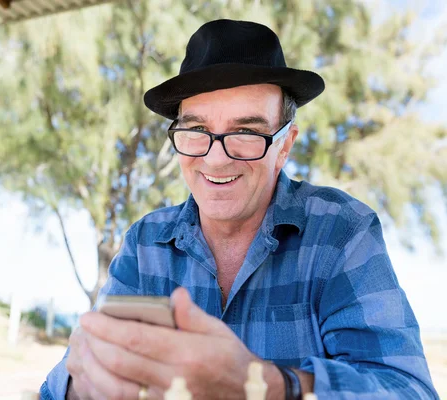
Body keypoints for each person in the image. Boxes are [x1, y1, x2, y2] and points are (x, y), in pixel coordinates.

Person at [40, 19, 438, 400]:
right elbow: (63, 384)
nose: (215, 160)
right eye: (196, 130)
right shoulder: (145, 244)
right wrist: (85, 385)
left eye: (246, 132)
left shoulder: (341, 231)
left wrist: (268, 387)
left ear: (284, 146)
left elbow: (409, 390)